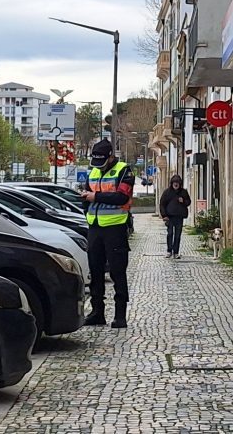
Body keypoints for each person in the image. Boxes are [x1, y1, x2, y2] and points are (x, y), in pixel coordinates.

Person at [81, 139, 135, 328]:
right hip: (95, 227)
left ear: (111, 156)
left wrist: (95, 197)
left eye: (102, 161)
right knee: (95, 272)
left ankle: (120, 315)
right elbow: (86, 194)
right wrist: (86, 205)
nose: (98, 165)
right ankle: (97, 312)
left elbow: (121, 196)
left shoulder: (124, 171)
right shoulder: (94, 171)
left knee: (117, 272)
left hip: (115, 228)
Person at [159, 175, 191, 259]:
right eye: (174, 183)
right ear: (172, 183)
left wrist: (183, 201)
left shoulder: (183, 192)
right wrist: (164, 215)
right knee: (170, 234)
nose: (176, 184)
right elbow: (162, 204)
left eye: (177, 183)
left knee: (177, 235)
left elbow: (188, 202)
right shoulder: (167, 192)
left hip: (179, 217)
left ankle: (176, 252)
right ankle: (169, 251)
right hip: (169, 217)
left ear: (180, 184)